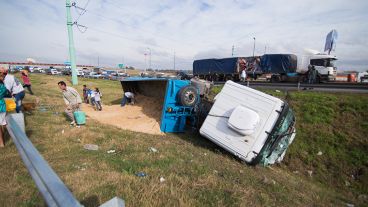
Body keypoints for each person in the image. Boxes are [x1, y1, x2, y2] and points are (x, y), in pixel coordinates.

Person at [0, 73, 8, 147]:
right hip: (2, 106)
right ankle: (2, 142)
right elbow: (6, 94)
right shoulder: (3, 86)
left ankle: (2, 143)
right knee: (2, 123)